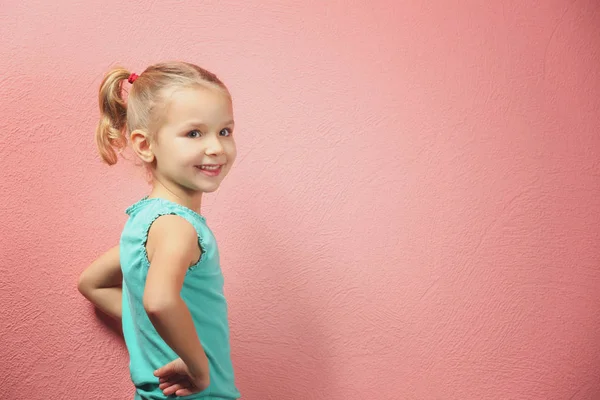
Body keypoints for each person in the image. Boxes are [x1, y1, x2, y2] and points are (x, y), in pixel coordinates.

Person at [77, 61, 241, 399]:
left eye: (224, 131)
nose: (215, 147)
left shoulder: (145, 220)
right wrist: (197, 368)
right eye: (194, 133)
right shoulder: (178, 227)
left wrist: (153, 329)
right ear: (144, 145)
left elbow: (92, 283)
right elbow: (160, 300)